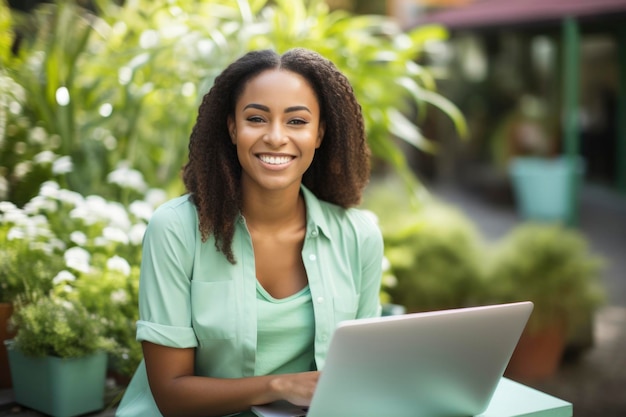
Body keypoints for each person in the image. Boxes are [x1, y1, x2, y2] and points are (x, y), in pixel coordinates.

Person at [116, 48, 384, 417]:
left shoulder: (359, 236)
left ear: (319, 133)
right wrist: (279, 386)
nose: (275, 137)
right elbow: (171, 395)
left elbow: (359, 372)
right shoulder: (176, 230)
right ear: (232, 128)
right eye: (257, 118)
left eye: (296, 122)